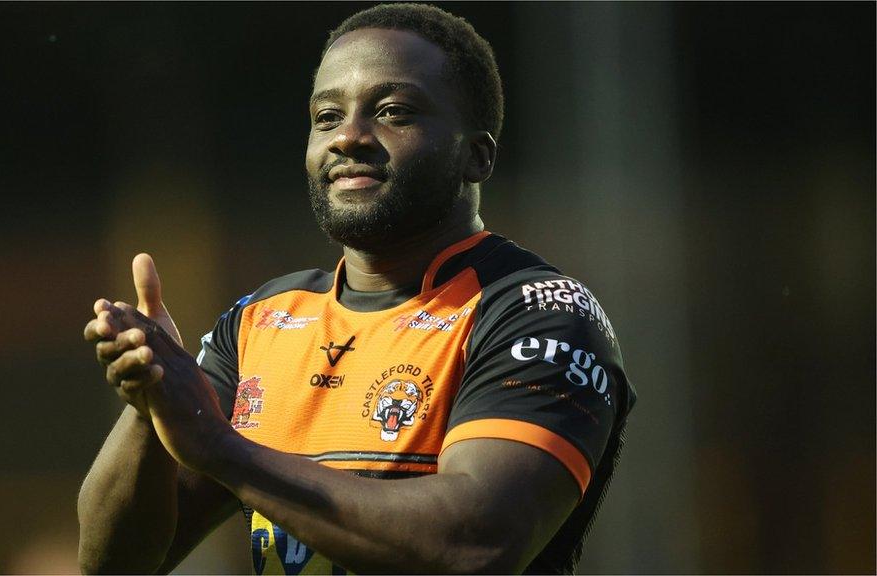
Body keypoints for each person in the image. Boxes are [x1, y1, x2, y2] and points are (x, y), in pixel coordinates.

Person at [78, 4, 635, 574]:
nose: (348, 136)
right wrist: (151, 404)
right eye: (326, 116)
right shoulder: (260, 323)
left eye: (393, 112)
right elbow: (114, 565)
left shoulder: (534, 313)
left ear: (477, 155)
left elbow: (476, 545)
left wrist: (223, 450)